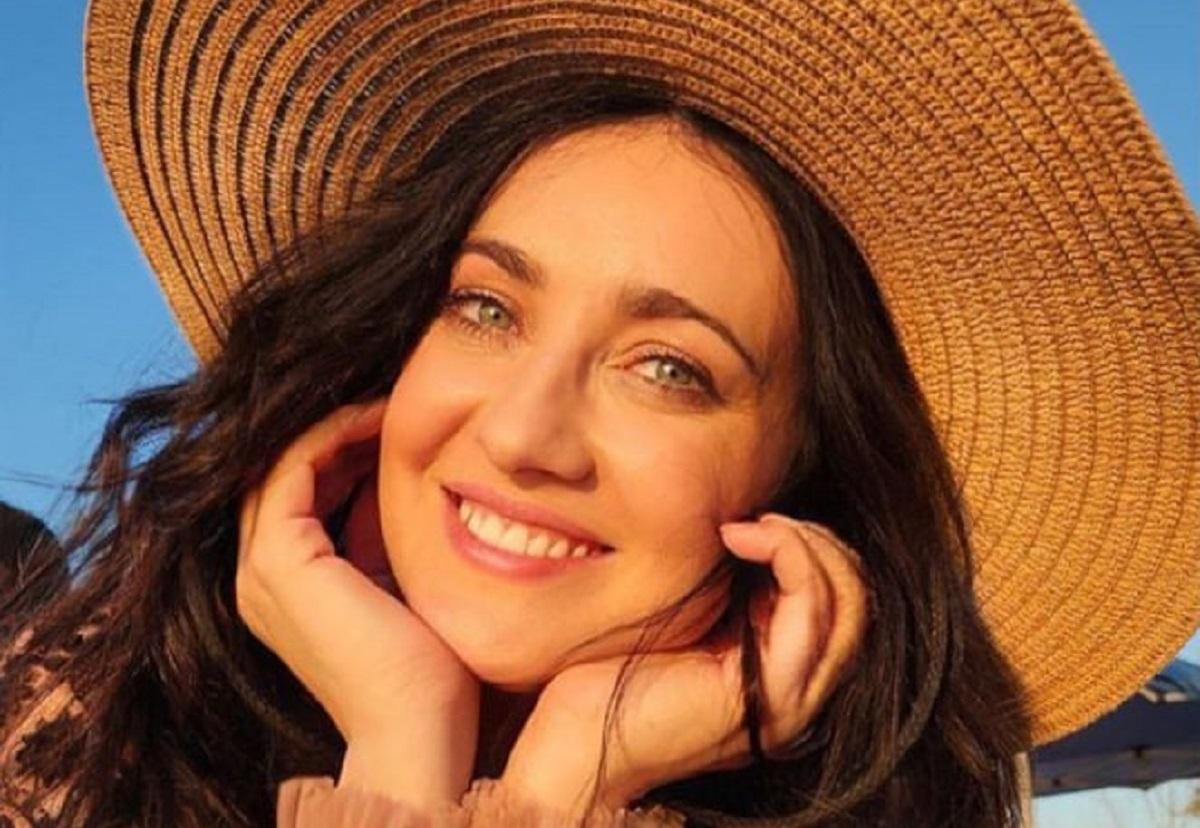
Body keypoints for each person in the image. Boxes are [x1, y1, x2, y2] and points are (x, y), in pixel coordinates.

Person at [2, 1, 1197, 826]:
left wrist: (558, 781)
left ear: (804, 478)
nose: (524, 434)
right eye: (484, 307)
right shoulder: (80, 730)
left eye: (668, 369)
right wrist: (410, 731)